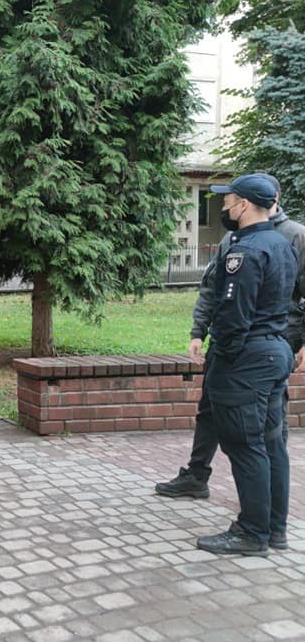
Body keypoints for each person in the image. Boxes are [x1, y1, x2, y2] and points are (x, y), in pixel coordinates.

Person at [156, 173, 305, 511]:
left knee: (261, 436)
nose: (225, 206)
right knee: (213, 412)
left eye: (230, 200)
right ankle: (199, 476)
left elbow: (242, 309)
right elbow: (213, 288)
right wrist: (199, 331)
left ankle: (260, 514)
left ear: (254, 202)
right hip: (248, 347)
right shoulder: (237, 238)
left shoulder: (292, 237)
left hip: (262, 348)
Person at [195, 174, 296, 557]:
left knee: (245, 445)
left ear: (245, 204)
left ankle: (252, 533)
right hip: (274, 350)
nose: (224, 205)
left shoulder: (247, 251)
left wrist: (224, 356)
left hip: (248, 359)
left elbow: (235, 314)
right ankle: (274, 528)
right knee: (271, 443)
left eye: (229, 199)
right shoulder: (281, 243)